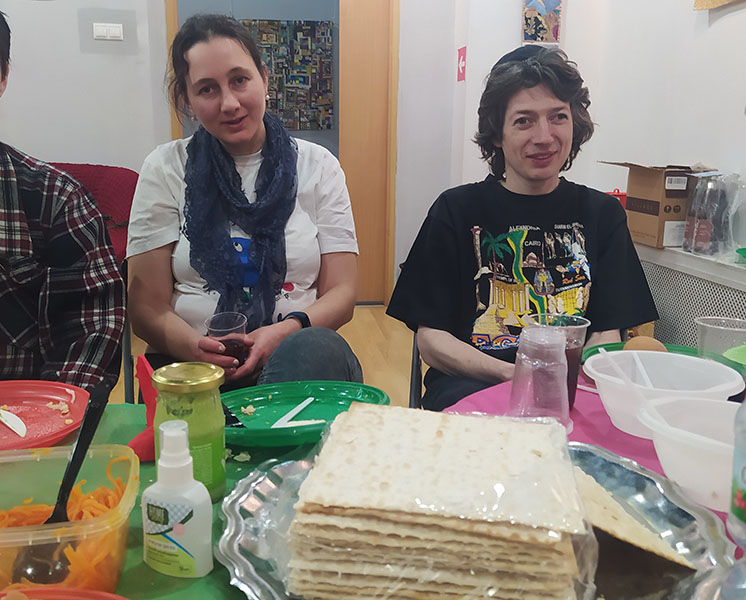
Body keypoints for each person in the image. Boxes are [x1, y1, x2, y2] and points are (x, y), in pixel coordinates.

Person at [387, 45, 658, 411]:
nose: (544, 136)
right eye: (523, 121)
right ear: (497, 134)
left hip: (574, 390)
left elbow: (607, 332)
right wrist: (514, 376)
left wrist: (565, 383)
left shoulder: (603, 214)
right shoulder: (456, 210)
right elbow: (432, 340)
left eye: (558, 116)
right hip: (474, 386)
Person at [126, 14, 362, 387]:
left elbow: (343, 293)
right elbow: (146, 307)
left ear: (264, 79)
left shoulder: (319, 166)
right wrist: (195, 348)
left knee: (316, 348)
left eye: (239, 80)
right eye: (207, 89)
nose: (230, 103)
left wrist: (286, 331)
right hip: (193, 369)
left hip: (294, 362)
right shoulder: (164, 168)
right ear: (187, 100)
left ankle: (263, 416)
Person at [0, 11, 126, 388]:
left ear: (3, 77)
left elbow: (94, 334)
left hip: (25, 417)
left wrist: (46, 414)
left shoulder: (57, 200)